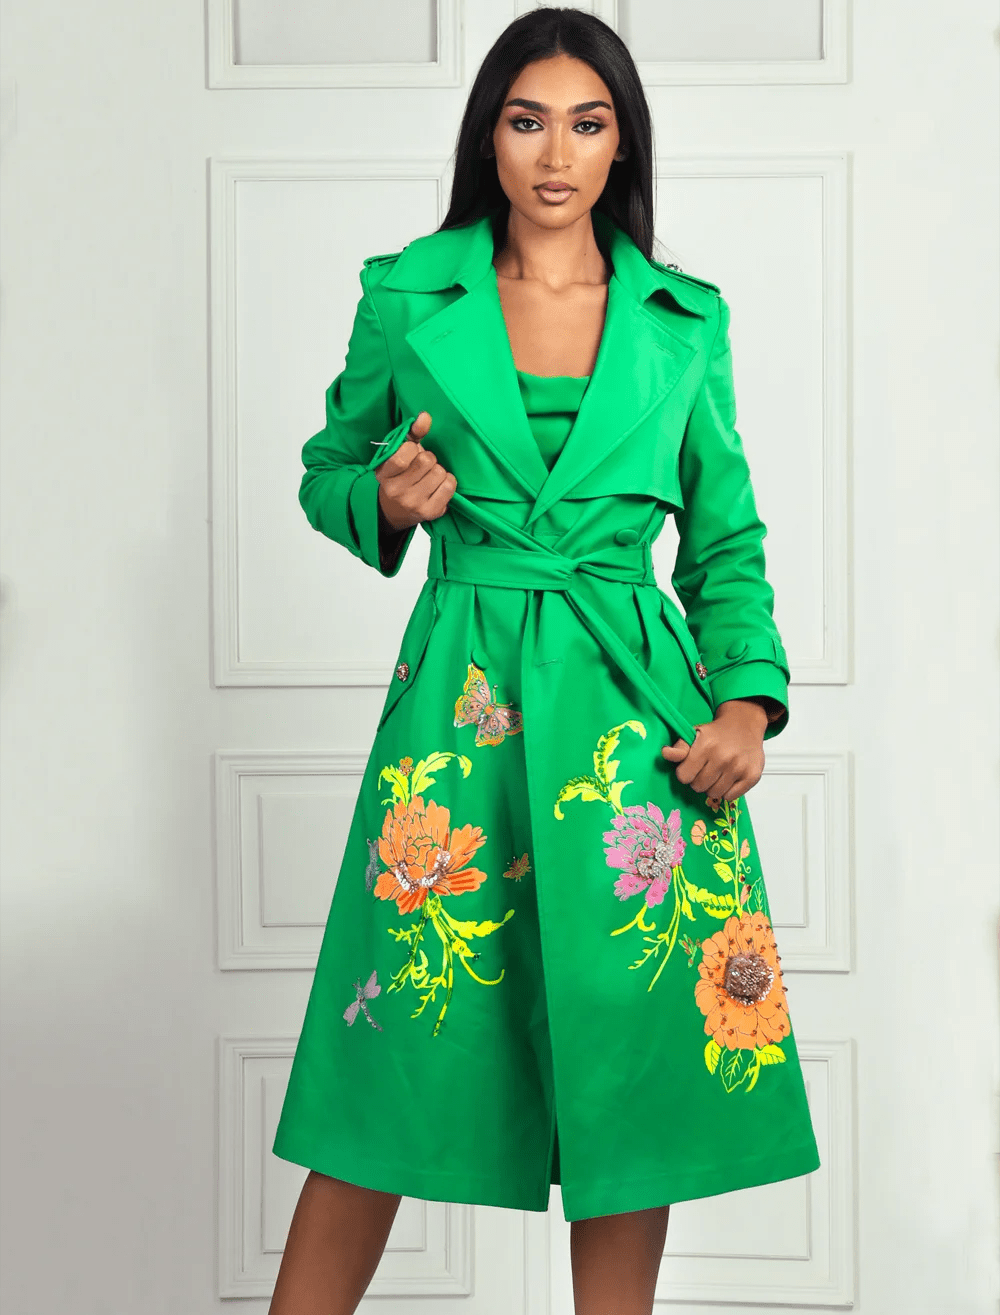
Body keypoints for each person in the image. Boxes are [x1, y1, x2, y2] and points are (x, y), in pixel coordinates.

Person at [269, 8, 820, 1313]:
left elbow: (725, 539)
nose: (555, 154)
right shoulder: (411, 295)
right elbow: (329, 469)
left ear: (623, 143)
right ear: (490, 137)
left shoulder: (685, 323)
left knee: (630, 1075)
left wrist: (745, 706)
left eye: (587, 122)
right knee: (394, 1046)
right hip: (461, 713)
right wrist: (386, 497)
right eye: (527, 121)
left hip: (640, 727)